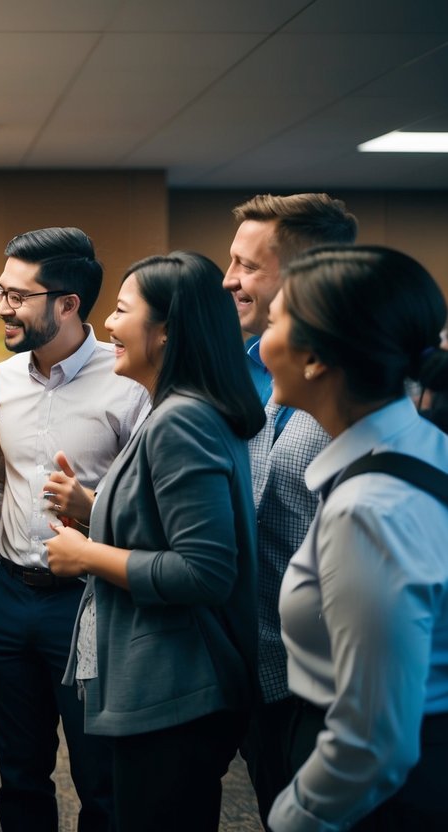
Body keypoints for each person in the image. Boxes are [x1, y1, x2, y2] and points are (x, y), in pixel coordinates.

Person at [49, 251, 264, 831]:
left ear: (167, 330)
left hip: (177, 687)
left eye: (121, 311)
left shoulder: (180, 420)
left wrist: (86, 554)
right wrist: (94, 510)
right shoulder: (172, 409)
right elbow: (168, 525)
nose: (110, 326)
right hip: (167, 682)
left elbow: (203, 570)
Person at [261, 246, 448, 831]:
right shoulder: (414, 444)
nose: (261, 340)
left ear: (314, 357)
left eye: (273, 321)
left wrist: (292, 819)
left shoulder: (369, 512)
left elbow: (373, 745)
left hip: (380, 797)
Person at [0, 227, 149, 832]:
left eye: (18, 295)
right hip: (7, 597)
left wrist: (91, 502)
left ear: (68, 303)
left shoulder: (128, 381)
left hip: (89, 603)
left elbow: (152, 506)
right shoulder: (1, 379)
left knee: (99, 778)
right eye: (3, 290)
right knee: (19, 777)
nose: (2, 306)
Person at [222, 193, 358, 821]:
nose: (230, 280)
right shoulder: (252, 365)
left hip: (333, 684)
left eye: (247, 266)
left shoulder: (366, 392)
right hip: (262, 669)